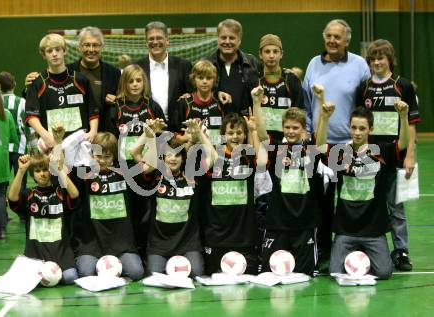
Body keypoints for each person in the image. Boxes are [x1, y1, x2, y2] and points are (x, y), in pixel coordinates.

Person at [303, 19, 371, 263]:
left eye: (337, 37)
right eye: (329, 36)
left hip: (349, 145)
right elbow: (305, 103)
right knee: (322, 200)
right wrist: (310, 132)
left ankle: (352, 244)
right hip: (321, 145)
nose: (332, 41)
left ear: (347, 40)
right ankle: (323, 247)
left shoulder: (360, 65)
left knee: (350, 198)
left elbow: (366, 104)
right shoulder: (313, 64)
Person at [253, 84, 333, 276]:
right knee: (268, 271)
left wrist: (324, 114)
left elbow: (322, 141)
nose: (290, 131)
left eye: (295, 128)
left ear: (303, 129)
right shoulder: (276, 149)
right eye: (287, 127)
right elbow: (262, 134)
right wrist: (256, 103)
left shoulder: (311, 150)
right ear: (282, 128)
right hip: (277, 221)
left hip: (304, 222)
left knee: (304, 273)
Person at [356, 39, 421, 271]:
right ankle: (365, 246)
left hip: (395, 155)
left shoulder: (403, 85)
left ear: (389, 59)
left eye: (380, 58)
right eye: (373, 59)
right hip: (370, 157)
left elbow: (411, 125)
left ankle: (401, 251)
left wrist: (410, 155)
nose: (376, 62)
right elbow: (358, 123)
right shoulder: (363, 88)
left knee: (396, 207)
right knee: (367, 204)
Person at [325, 103, 409, 280]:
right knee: (335, 272)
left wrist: (403, 116)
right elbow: (319, 147)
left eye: (362, 128)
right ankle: (356, 250)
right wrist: (324, 118)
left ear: (370, 129)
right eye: (354, 127)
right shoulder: (340, 152)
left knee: (384, 273)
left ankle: (363, 251)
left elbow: (403, 144)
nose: (357, 132)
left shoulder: (381, 151)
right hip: (346, 229)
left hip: (373, 230)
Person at [131, 118, 215, 277]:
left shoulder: (192, 175)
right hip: (159, 244)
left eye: (177, 155)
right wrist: (149, 133)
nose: (173, 158)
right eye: (168, 154)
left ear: (183, 159)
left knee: (197, 273)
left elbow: (213, 158)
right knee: (153, 276)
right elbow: (134, 151)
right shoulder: (155, 174)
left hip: (188, 243)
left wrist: (200, 135)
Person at [7, 127, 80, 284]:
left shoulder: (60, 192)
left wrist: (59, 169)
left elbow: (74, 195)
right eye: (38, 171)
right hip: (36, 255)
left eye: (45, 170)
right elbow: (12, 198)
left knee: (70, 277)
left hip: (61, 254)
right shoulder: (29, 195)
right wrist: (20, 171)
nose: (42, 174)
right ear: (33, 174)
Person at [200, 111, 267, 275]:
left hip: (244, 236)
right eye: (230, 133)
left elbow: (263, 162)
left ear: (244, 135)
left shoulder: (248, 156)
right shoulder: (214, 156)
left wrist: (254, 131)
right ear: (223, 135)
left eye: (239, 132)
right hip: (216, 235)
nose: (235, 137)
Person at [26, 26, 121, 135]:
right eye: (86, 45)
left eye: (95, 45)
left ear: (102, 47)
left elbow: (125, 100)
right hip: (77, 136)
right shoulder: (67, 72)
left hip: (106, 133)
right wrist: (28, 86)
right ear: (79, 47)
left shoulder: (114, 73)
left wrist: (117, 99)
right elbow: (35, 103)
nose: (91, 49)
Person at [74, 132, 144, 280]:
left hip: (122, 244)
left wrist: (148, 133)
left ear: (114, 157)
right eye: (98, 156)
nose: (102, 161)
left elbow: (147, 166)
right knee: (85, 273)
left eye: (107, 157)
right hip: (92, 246)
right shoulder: (83, 174)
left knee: (137, 272)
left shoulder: (124, 173)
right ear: (92, 155)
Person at [113, 63, 165, 257]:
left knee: (146, 213)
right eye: (130, 81)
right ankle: (128, 250)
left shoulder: (153, 107)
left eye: (139, 80)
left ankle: (144, 251)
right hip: (123, 170)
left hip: (147, 172)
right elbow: (109, 140)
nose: (135, 84)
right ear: (124, 83)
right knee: (127, 213)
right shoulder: (115, 108)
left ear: (144, 83)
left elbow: (162, 139)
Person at [25, 33, 99, 150]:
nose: (54, 54)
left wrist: (93, 131)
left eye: (58, 49)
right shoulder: (37, 83)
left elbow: (93, 111)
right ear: (43, 55)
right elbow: (31, 116)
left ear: (64, 51)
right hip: (52, 144)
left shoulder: (80, 80)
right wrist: (45, 136)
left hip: (79, 144)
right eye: (49, 51)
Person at [133, 21, 193, 124]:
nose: (155, 42)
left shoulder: (184, 65)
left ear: (167, 40)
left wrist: (190, 95)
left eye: (159, 38)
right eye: (151, 39)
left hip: (178, 127)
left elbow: (193, 93)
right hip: (147, 126)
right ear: (146, 42)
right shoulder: (136, 67)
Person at [208, 18, 260, 116]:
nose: (227, 42)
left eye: (232, 38)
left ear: (239, 40)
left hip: (246, 125)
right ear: (218, 39)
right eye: (223, 37)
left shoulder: (253, 63)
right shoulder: (206, 64)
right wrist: (215, 95)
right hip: (214, 124)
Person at [258, 34, 304, 143]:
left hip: (287, 141)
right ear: (260, 54)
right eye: (267, 51)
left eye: (275, 51)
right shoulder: (254, 79)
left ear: (281, 54)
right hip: (260, 141)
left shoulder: (292, 79)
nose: (271, 55)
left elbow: (299, 112)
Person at [173, 60, 224, 146]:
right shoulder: (184, 103)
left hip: (215, 154)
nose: (204, 81)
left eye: (208, 78)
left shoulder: (221, 102)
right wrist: (188, 138)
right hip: (190, 154)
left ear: (214, 80)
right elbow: (173, 133)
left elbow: (227, 134)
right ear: (194, 79)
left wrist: (206, 138)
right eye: (200, 78)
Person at [0, 79, 18, 239]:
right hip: (1, 163)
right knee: (1, 196)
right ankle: (2, 230)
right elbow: (13, 139)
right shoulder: (6, 114)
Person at [0, 71, 29, 192]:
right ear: (14, 84)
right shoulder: (21, 102)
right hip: (19, 148)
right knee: (21, 182)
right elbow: (28, 126)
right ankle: (21, 208)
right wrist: (34, 146)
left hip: (1, 149)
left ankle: (1, 207)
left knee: (1, 185)